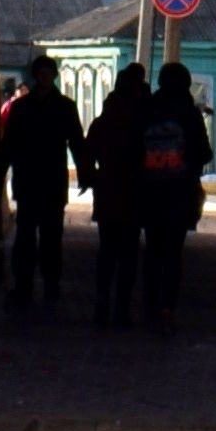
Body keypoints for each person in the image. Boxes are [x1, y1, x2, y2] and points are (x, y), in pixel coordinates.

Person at [0, 56, 88, 315]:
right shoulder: (22, 107)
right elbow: (9, 144)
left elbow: (76, 142)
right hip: (29, 180)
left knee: (51, 238)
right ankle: (24, 285)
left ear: (54, 75)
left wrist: (84, 173)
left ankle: (50, 284)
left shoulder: (64, 107)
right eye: (42, 72)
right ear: (37, 75)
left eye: (49, 72)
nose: (45, 77)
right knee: (25, 237)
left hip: (50, 181)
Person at [138, 52, 215, 326]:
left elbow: (134, 150)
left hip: (150, 192)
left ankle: (149, 304)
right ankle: (169, 306)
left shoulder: (148, 108)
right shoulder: (189, 112)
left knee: (152, 251)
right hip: (180, 194)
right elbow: (205, 153)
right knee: (173, 253)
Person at [85, 60, 158, 326]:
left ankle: (101, 303)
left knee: (107, 252)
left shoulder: (103, 122)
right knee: (129, 254)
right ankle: (121, 309)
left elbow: (86, 155)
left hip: (107, 195)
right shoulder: (143, 121)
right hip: (135, 195)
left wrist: (94, 179)